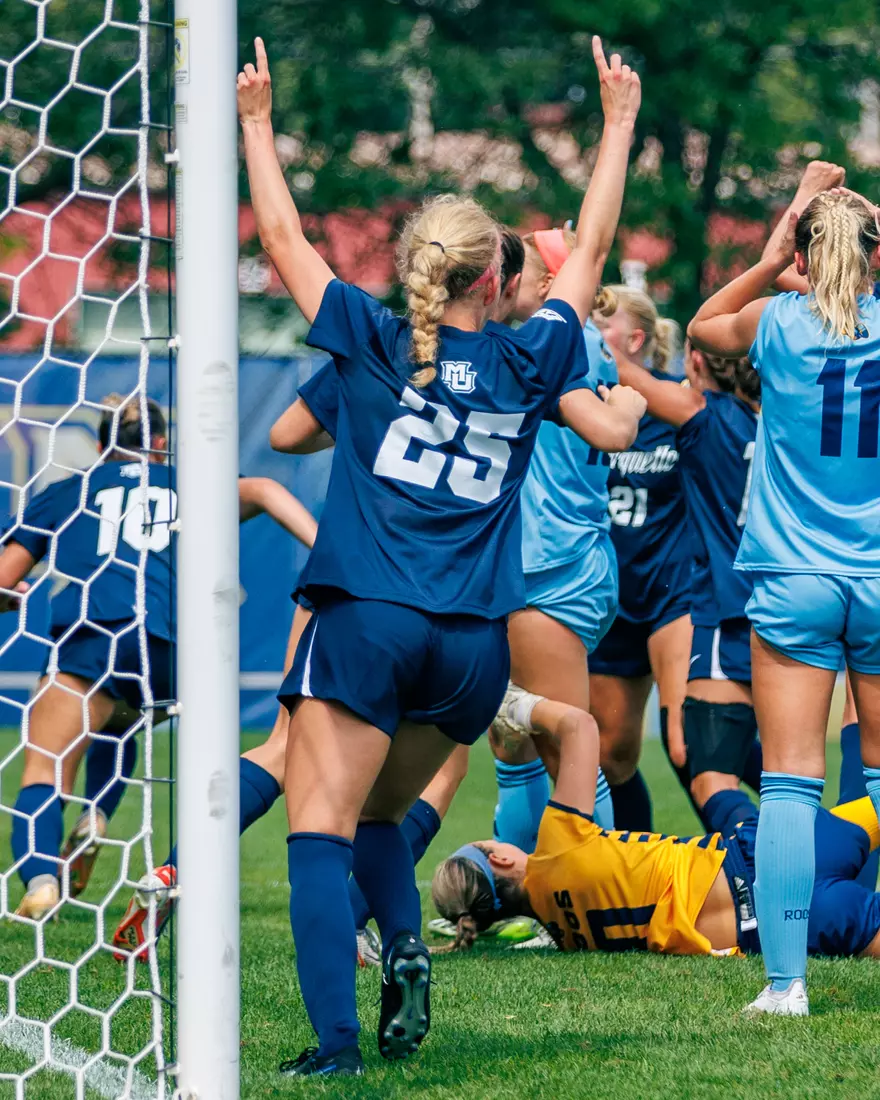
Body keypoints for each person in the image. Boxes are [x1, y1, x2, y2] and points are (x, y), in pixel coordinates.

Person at [237, 34, 644, 1077]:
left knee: (319, 831)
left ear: (419, 266)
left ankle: (335, 1047)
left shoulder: (372, 341)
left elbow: (281, 238)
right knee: (382, 814)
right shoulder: (527, 354)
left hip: (369, 618)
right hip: (472, 644)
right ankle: (407, 946)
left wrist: (253, 123)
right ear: (496, 273)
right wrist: (616, 124)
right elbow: (592, 250)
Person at [688, 187, 880, 1016]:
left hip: (794, 579)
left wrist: (771, 261)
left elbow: (700, 326)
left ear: (803, 256)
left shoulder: (774, 322)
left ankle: (787, 984)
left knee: (794, 783)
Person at [431, 683, 880, 965]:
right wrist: (514, 702)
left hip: (772, 930)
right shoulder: (557, 847)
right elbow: (580, 728)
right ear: (501, 856)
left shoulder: (567, 937)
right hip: (765, 854)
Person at [64, 474, 318, 900]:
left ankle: (56, 861)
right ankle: (361, 917)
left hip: (102, 626)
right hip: (178, 641)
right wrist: (322, 543)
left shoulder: (83, 488)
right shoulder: (188, 479)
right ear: (161, 441)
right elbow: (264, 489)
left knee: (64, 750)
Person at [0, 395, 176, 921]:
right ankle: (96, 816)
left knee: (45, 769)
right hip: (166, 646)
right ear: (162, 445)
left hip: (90, 629)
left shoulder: (69, 491)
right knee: (121, 724)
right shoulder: (186, 486)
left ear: (101, 448)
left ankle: (41, 880)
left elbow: (6, 578)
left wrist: (12, 594)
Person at [488, 225, 620, 853]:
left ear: (547, 285)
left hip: (551, 569)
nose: (500, 275)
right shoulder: (585, 341)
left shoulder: (554, 347)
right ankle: (524, 901)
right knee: (514, 739)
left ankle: (595, 900)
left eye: (514, 267)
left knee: (565, 747)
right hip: (557, 562)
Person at [612, 342, 762, 821]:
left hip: (726, 608)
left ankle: (759, 875)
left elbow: (624, 372)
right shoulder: (790, 418)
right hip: (788, 601)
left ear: (695, 361)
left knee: (706, 765)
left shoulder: (706, 418)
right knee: (791, 771)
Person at [589, 288, 692, 830]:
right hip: (612, 596)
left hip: (674, 593)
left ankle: (756, 860)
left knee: (690, 743)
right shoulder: (585, 404)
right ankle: (639, 877)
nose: (586, 328)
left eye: (600, 322)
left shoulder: (678, 399)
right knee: (612, 755)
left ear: (635, 340)